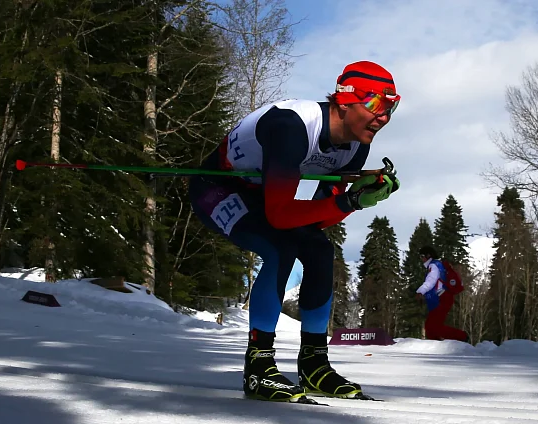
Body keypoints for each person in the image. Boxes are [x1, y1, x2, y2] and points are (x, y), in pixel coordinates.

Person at [188, 60, 401, 403]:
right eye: (376, 104)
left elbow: (316, 219)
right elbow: (281, 215)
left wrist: (352, 201)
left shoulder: (357, 143)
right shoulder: (292, 126)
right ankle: (258, 367)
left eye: (391, 106)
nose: (384, 117)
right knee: (280, 248)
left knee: (319, 249)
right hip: (217, 188)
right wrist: (351, 200)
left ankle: (314, 365)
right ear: (344, 101)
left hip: (261, 194)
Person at [416, 245, 469, 343]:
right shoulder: (436, 264)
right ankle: (435, 344)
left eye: (422, 256)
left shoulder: (433, 265)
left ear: (428, 256)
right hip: (441, 298)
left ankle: (462, 336)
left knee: (433, 326)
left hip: (442, 298)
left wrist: (420, 291)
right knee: (431, 326)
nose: (421, 259)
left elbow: (431, 281)